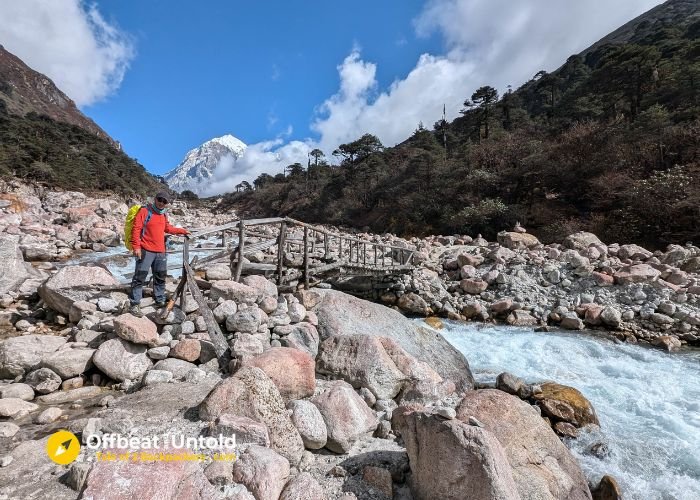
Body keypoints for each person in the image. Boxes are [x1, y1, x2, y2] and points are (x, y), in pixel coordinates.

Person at [128, 192, 190, 317]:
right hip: (145, 249)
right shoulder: (145, 211)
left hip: (160, 251)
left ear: (167, 204)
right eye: (159, 200)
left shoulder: (163, 214)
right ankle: (134, 304)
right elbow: (136, 229)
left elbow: (167, 228)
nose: (161, 203)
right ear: (155, 199)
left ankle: (160, 299)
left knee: (160, 276)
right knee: (139, 277)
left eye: (164, 201)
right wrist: (136, 247)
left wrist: (182, 231)